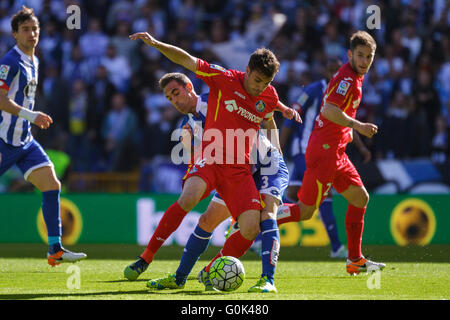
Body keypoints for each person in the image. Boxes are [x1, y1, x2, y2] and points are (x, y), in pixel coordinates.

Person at [127, 31, 298, 292]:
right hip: (214, 158)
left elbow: (271, 105)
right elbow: (188, 61)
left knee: (253, 226)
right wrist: (155, 44)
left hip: (248, 166)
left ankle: (215, 273)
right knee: (193, 202)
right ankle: (165, 268)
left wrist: (283, 111)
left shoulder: (267, 94)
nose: (260, 87)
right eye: (257, 80)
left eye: (266, 83)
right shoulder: (224, 79)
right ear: (247, 70)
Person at [277, 31, 386, 275]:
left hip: (337, 151)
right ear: (350, 55)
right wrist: (359, 127)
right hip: (324, 152)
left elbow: (339, 114)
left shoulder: (356, 77)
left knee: (360, 198)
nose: (364, 61)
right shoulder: (347, 78)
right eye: (360, 55)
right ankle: (260, 217)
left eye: (369, 56)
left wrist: (353, 139)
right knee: (305, 211)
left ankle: (355, 260)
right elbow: (328, 110)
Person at [0, 6, 86, 266]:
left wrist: (29, 120)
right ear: (15, 34)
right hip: (3, 140)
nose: (31, 33)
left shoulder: (35, 60)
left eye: (34, 28)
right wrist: (32, 115)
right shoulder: (10, 62)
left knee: (52, 185)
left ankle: (55, 249)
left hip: (24, 142)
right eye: (25, 29)